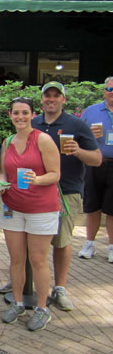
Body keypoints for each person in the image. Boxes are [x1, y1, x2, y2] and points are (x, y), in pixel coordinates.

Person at [29, 82, 101, 310]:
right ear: (41, 100)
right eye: (47, 95)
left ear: (63, 99)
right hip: (35, 190)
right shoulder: (32, 124)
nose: (51, 99)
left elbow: (97, 159)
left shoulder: (77, 124)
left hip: (66, 192)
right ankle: (23, 285)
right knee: (31, 242)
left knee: (61, 242)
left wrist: (78, 151)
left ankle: (59, 289)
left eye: (56, 95)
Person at [0, 97, 60, 332]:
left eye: (25, 113)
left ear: (33, 114)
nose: (20, 117)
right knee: (16, 259)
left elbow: (55, 174)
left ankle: (42, 308)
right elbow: (4, 171)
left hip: (41, 208)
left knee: (38, 259)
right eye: (16, 113)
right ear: (10, 115)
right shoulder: (8, 141)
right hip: (12, 206)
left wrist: (38, 179)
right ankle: (18, 302)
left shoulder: (43, 140)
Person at [78, 76, 113, 263]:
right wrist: (90, 134)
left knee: (112, 210)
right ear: (103, 91)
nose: (112, 93)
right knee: (92, 206)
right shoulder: (91, 112)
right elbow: (78, 137)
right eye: (109, 89)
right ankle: (89, 243)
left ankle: (111, 247)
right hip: (94, 163)